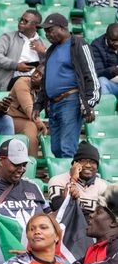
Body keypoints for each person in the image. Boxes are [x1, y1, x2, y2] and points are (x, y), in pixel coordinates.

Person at [32, 13, 100, 158]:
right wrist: (38, 104)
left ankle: (71, 173)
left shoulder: (79, 44)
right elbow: (46, 80)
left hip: (71, 101)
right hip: (53, 104)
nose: (47, 34)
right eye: (46, 31)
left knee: (67, 148)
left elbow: (91, 75)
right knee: (56, 149)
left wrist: (89, 103)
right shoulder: (51, 50)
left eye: (51, 30)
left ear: (63, 28)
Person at [0, 9, 47, 90]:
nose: (21, 22)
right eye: (21, 19)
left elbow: (53, 64)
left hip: (36, 80)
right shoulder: (8, 38)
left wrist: (43, 52)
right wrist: (15, 65)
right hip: (11, 81)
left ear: (35, 26)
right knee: (24, 82)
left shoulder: (43, 43)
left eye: (25, 21)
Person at [48, 141, 108, 215]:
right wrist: (73, 180)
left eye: (93, 162)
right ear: (74, 163)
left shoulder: (103, 186)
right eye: (83, 161)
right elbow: (59, 208)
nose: (88, 165)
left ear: (97, 167)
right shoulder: (57, 180)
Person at [7, 64, 47, 156]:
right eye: (36, 71)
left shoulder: (46, 89)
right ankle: (31, 162)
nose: (36, 75)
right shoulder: (22, 82)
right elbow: (29, 109)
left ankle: (54, 161)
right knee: (31, 127)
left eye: (40, 75)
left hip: (30, 119)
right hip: (12, 119)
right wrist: (41, 125)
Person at [90, 23, 118, 96]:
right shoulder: (96, 46)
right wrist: (114, 70)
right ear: (106, 36)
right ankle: (107, 103)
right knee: (102, 81)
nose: (116, 43)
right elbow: (98, 73)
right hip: (112, 84)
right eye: (113, 40)